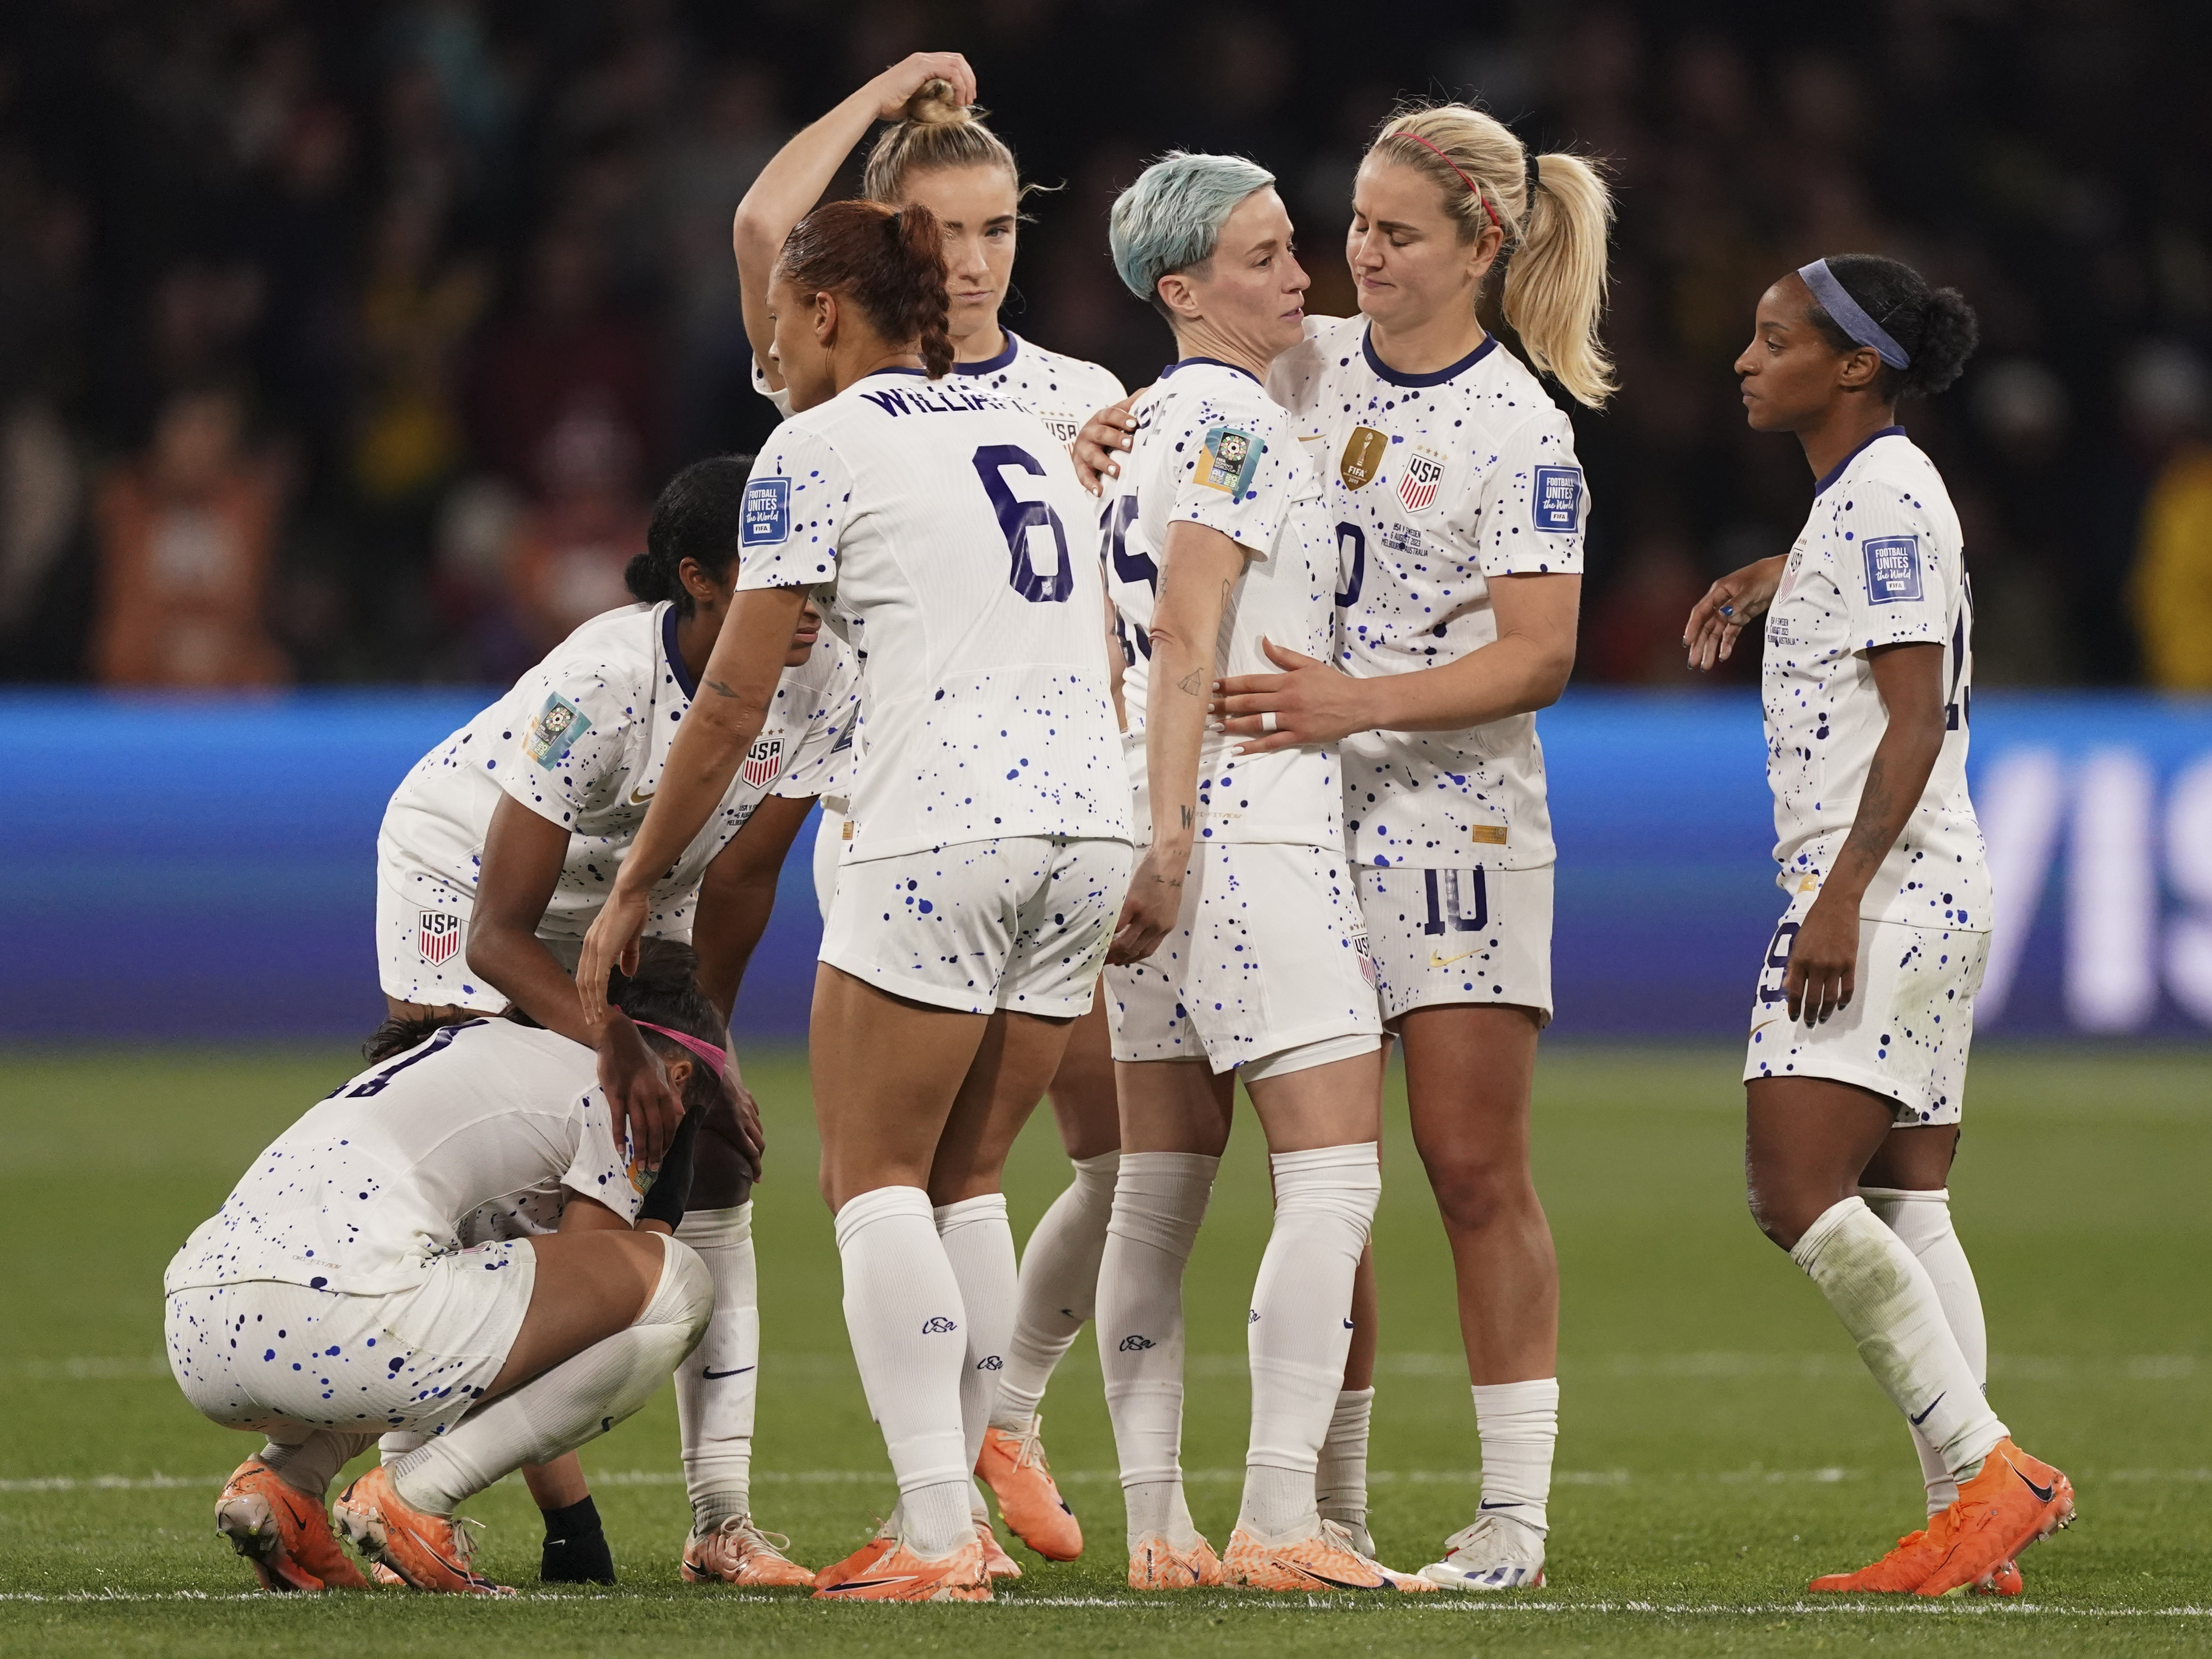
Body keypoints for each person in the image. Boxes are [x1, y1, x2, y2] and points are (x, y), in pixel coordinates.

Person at [1079, 102, 1612, 1592]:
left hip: (1452, 817)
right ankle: (1332, 1507)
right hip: (1292, 809)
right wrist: (1097, 430)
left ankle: (1511, 1516)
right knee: (1326, 1175)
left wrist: (1354, 702)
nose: (1359, 256)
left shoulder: (1521, 426)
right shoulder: (1293, 360)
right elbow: (1179, 433)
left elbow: (1540, 654)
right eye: (1354, 225)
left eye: (1396, 234)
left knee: (1468, 1167)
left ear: (1480, 247)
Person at [576, 196, 1129, 1603]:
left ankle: (936, 1533)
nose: (769, 342)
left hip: (943, 822)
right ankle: (960, 1514)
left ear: (826, 308)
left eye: (779, 314)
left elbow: (731, 698)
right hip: (1089, 824)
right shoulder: (1018, 427)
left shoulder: (815, 448)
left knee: (871, 1176)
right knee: (968, 1179)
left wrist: (637, 881)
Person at [730, 54, 1126, 1562]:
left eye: (996, 230)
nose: (969, 261)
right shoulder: (835, 360)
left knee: (959, 1170)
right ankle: (961, 1475)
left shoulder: (1080, 397)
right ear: (889, 242)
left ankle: (973, 1464)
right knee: (941, 1173)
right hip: (910, 805)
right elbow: (766, 223)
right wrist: (887, 83)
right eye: (939, 231)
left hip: (1006, 811)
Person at [374, 454, 857, 1586]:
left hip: (641, 893)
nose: (809, 603)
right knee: (480, 1184)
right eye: (779, 577)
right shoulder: (598, 683)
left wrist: (703, 1054)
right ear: (697, 581)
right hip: (463, 881)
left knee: (719, 1164)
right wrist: (614, 1042)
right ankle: (405, 1494)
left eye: (818, 576)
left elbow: (742, 880)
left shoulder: (827, 674)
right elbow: (501, 933)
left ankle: (721, 1523)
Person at [1681, 253, 2074, 1597]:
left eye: (1773, 339)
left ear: (1855, 366)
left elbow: (1910, 717)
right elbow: (1882, 586)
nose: (1745, 359)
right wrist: (1779, 572)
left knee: (1794, 1190)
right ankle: (1973, 1528)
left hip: (1884, 889)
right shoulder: (1870, 498)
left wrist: (1840, 895)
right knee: (1909, 1201)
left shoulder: (1885, 494)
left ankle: (1987, 1468)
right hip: (1931, 882)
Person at [1089, 150, 1425, 1597]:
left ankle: (1156, 1528)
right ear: (1183, 290)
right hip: (1243, 823)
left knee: (1156, 1197)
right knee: (1333, 1178)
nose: (1301, 274)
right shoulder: (1232, 420)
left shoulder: (1138, 425)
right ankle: (1282, 1517)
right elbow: (1190, 626)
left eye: (1296, 246)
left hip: (1142, 825)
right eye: (1266, 255)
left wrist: (1145, 829)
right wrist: (1179, 833)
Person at [165, 942, 730, 1598]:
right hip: (342, 1318)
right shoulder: (617, 1085)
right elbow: (586, 1309)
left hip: (195, 1329)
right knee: (679, 1284)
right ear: (677, 1076)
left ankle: (286, 1485)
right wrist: (659, 1214)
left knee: (426, 1302)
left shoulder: (461, 1046)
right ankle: (416, 1497)